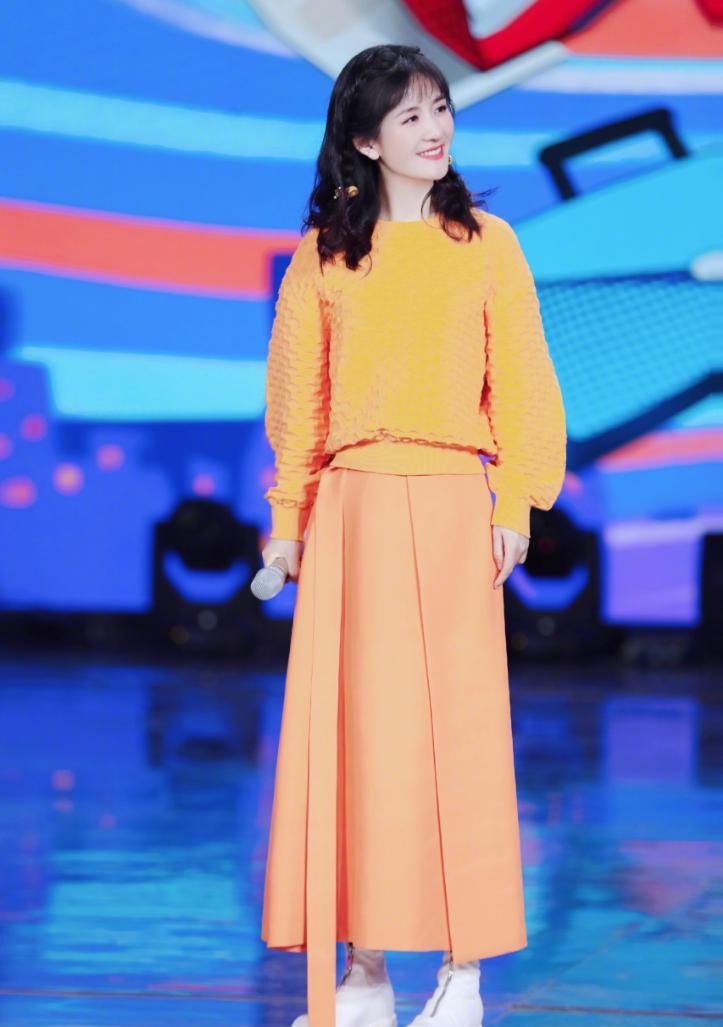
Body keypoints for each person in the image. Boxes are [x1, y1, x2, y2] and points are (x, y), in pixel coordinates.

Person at [259, 43, 567, 1027]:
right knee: (361, 743)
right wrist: (286, 523)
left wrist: (514, 503)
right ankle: (363, 971)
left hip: (449, 505)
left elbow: (523, 381)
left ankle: (463, 974)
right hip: (350, 511)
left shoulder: (487, 243)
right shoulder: (324, 256)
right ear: (363, 141)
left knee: (457, 740)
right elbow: (297, 406)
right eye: (410, 116)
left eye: (440, 108)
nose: (434, 130)